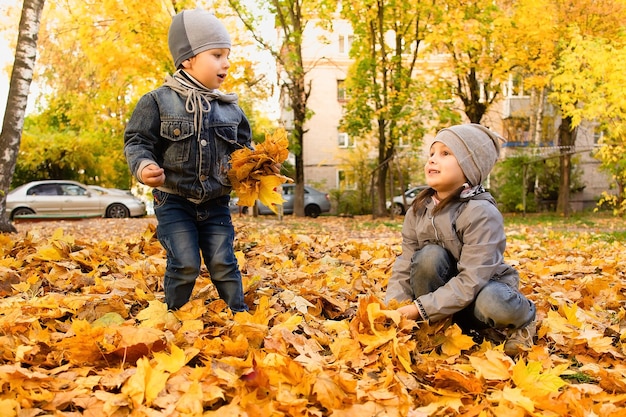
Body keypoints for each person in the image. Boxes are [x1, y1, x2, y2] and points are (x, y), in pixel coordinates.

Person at [124, 8, 251, 312]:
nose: (226, 63)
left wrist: (255, 167)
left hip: (216, 202)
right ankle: (174, 315)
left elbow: (244, 149)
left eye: (227, 55)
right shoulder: (157, 101)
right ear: (188, 59)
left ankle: (238, 313)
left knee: (223, 260)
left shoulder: (230, 109)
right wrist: (144, 166)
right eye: (217, 55)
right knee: (184, 263)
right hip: (175, 200)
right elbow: (138, 140)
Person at [385, 123, 536, 356]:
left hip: (480, 292)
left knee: (493, 302)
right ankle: (438, 327)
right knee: (428, 257)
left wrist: (417, 309)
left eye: (446, 153)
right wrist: (394, 307)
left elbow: (471, 281)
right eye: (432, 153)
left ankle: (525, 320)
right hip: (440, 302)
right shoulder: (418, 210)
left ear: (470, 168)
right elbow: (406, 263)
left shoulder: (481, 213)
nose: (433, 160)